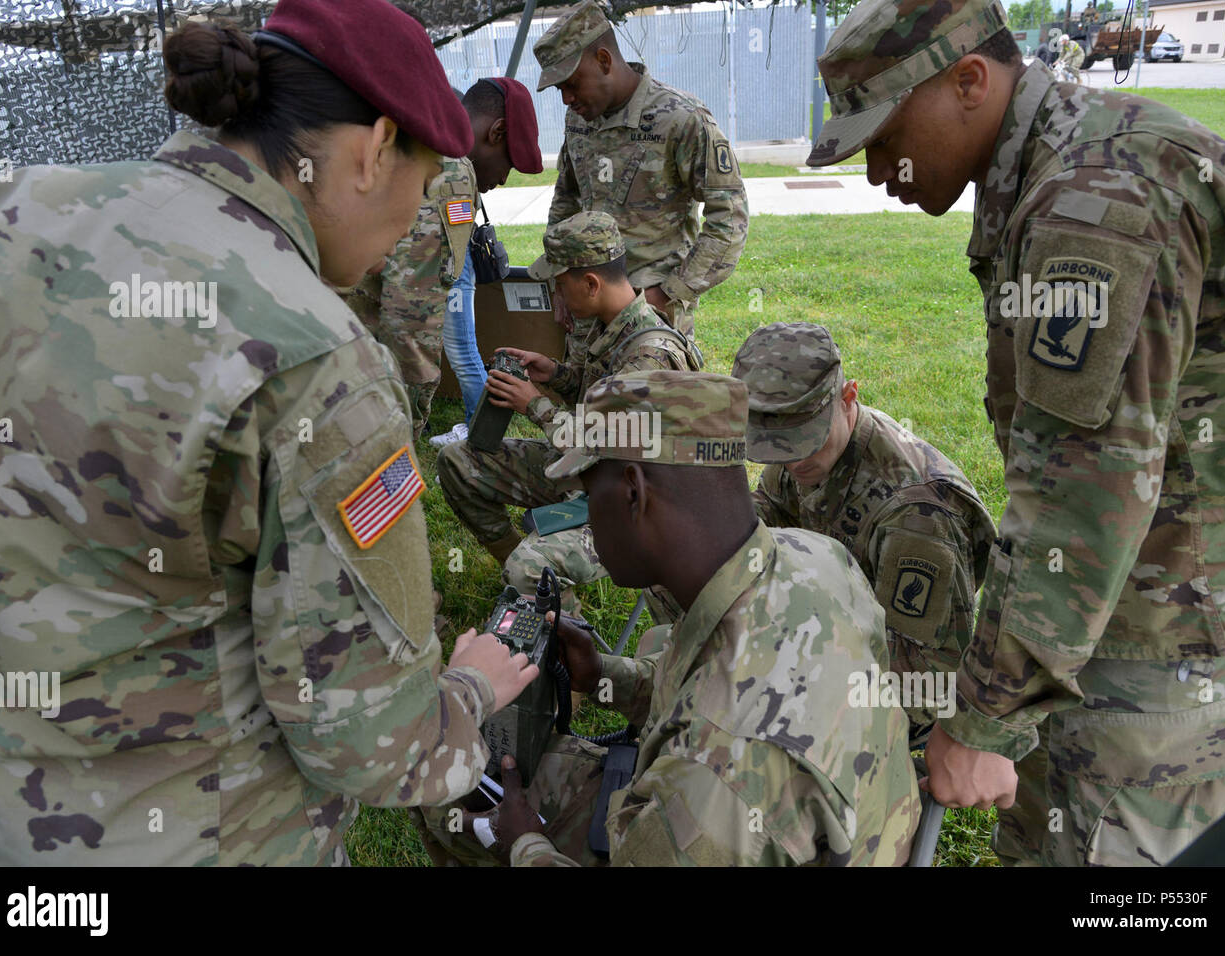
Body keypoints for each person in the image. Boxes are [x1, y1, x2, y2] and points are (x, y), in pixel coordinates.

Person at [0, 0, 538, 866]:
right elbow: (367, 740)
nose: (408, 232)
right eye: (420, 192)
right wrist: (466, 693)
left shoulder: (1, 214)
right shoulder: (317, 358)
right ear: (375, 151)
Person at [808, 0, 1225, 866]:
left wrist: (980, 717)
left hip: (1167, 667)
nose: (874, 174)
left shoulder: (1094, 203)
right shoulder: (1064, 163)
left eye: (884, 135)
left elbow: (1082, 503)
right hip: (1127, 628)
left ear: (969, 80)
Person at [423, 370, 921, 866]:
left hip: (711, 828)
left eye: (586, 495)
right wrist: (603, 675)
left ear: (633, 493)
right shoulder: (814, 556)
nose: (586, 518)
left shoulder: (715, 774)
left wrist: (522, 843)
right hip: (840, 831)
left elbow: (721, 743)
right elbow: (707, 685)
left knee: (445, 789)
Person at [733, 323, 995, 746]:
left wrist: (778, 643)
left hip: (896, 687)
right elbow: (762, 521)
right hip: (833, 630)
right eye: (778, 444)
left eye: (803, 440)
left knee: (735, 702)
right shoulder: (809, 453)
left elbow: (919, 673)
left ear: (848, 396)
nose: (793, 460)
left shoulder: (918, 513)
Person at [436, 211, 701, 567]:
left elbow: (607, 447)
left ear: (591, 284)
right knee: (457, 460)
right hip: (595, 476)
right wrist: (557, 375)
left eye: (560, 285)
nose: (556, 294)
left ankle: (544, 594)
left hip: (635, 503)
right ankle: (526, 574)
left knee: (529, 567)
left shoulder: (650, 356)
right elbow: (604, 401)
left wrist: (533, 404)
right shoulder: (615, 324)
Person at [341, 78, 542, 443]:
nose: (502, 179)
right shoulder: (453, 171)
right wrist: (411, 422)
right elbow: (412, 314)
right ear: (496, 132)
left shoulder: (413, 134)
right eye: (509, 163)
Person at [534, 0, 748, 340]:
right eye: (560, 89)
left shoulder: (680, 118)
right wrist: (560, 281)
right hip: (587, 305)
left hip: (653, 312)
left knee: (654, 394)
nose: (566, 99)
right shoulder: (579, 119)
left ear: (604, 61)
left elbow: (730, 219)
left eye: (572, 84)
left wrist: (669, 293)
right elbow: (566, 199)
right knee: (586, 392)